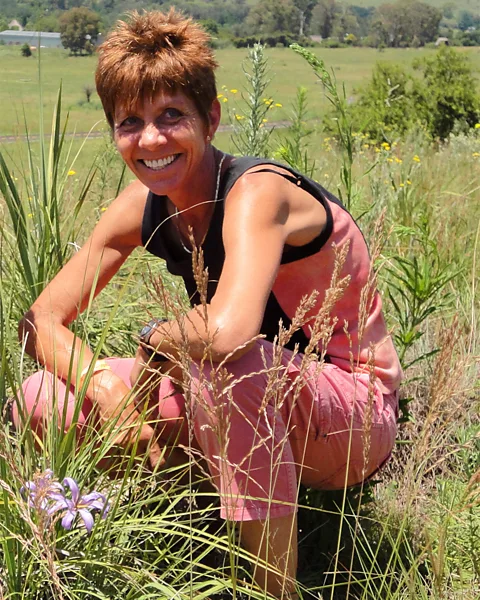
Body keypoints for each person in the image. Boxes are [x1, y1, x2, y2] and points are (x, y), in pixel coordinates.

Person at [15, 9, 402, 599]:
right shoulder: (142, 206)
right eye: (130, 122)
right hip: (237, 397)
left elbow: (228, 334)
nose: (151, 139)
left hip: (350, 415)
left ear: (211, 118)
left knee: (228, 368)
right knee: (42, 397)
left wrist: (154, 340)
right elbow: (41, 320)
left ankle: (271, 589)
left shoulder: (256, 192)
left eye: (172, 115)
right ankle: (184, 524)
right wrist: (110, 393)